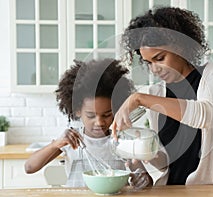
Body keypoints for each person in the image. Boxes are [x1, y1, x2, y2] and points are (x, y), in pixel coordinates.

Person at [112, 6, 213, 185]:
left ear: (181, 47)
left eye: (160, 58)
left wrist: (138, 98)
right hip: (170, 193)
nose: (154, 69)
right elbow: (168, 160)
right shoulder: (157, 93)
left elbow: (207, 115)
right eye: (148, 62)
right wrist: (146, 165)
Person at [24, 58, 153, 188]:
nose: (99, 122)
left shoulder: (124, 141)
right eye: (91, 115)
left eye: (107, 115)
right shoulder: (72, 140)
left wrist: (143, 179)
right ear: (78, 110)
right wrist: (55, 145)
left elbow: (146, 181)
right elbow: (29, 167)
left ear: (117, 110)